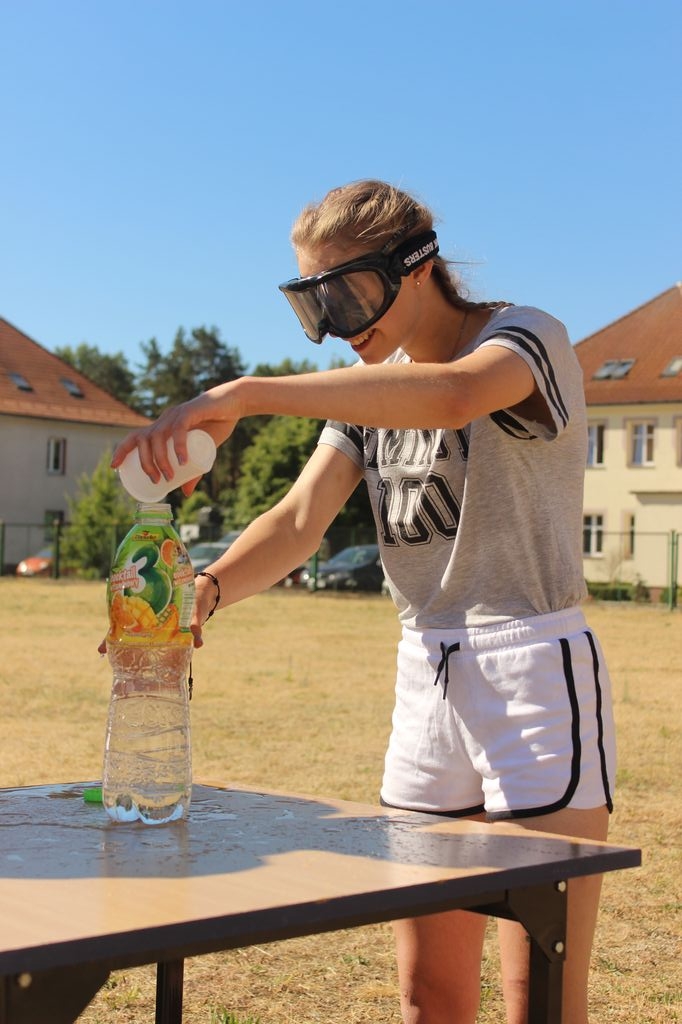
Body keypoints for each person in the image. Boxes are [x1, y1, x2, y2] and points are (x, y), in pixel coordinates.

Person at [111, 179, 616, 1024]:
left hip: (532, 669)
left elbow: (453, 396)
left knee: (540, 995)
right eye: (313, 305)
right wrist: (206, 589)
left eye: (345, 295)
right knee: (428, 994)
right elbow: (299, 520)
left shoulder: (526, 337)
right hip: (424, 674)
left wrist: (245, 393)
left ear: (415, 266)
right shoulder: (369, 388)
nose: (335, 325)